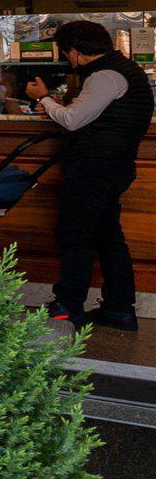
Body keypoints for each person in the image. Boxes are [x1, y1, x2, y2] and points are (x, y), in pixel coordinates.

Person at [27, 20, 154, 331]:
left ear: (75, 52)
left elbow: (73, 120)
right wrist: (57, 106)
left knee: (74, 233)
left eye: (65, 53)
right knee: (108, 236)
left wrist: (43, 98)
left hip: (95, 167)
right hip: (112, 166)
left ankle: (67, 306)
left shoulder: (105, 76)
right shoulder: (121, 70)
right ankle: (119, 309)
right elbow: (88, 114)